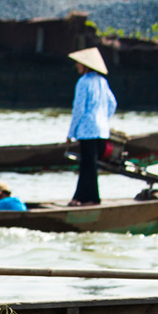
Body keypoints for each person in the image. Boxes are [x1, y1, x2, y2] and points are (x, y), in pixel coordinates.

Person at [66, 46, 116, 206]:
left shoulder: (83, 82)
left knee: (87, 167)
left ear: (86, 65)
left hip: (87, 131)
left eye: (79, 64)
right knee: (90, 166)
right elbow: (112, 103)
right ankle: (83, 198)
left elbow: (78, 109)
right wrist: (103, 119)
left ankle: (89, 199)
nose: (77, 66)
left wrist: (70, 133)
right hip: (101, 131)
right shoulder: (103, 81)